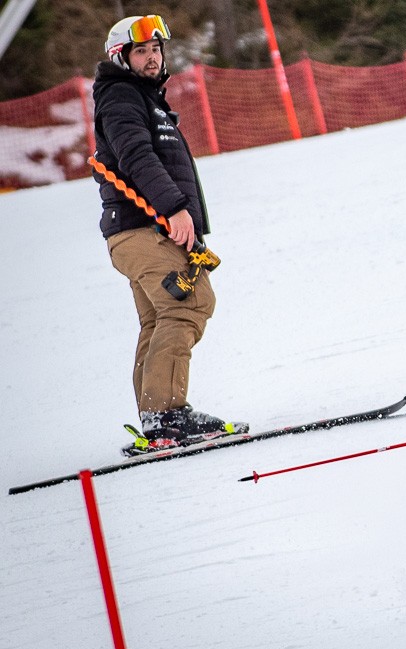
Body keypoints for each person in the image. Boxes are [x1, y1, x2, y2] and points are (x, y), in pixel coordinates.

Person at [93, 15, 244, 449]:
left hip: (143, 230)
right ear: (120, 58)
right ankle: (167, 415)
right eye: (141, 50)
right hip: (144, 228)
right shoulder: (121, 96)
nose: (152, 57)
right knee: (189, 304)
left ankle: (156, 418)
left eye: (156, 49)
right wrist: (175, 209)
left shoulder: (145, 100)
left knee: (157, 319)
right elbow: (137, 156)